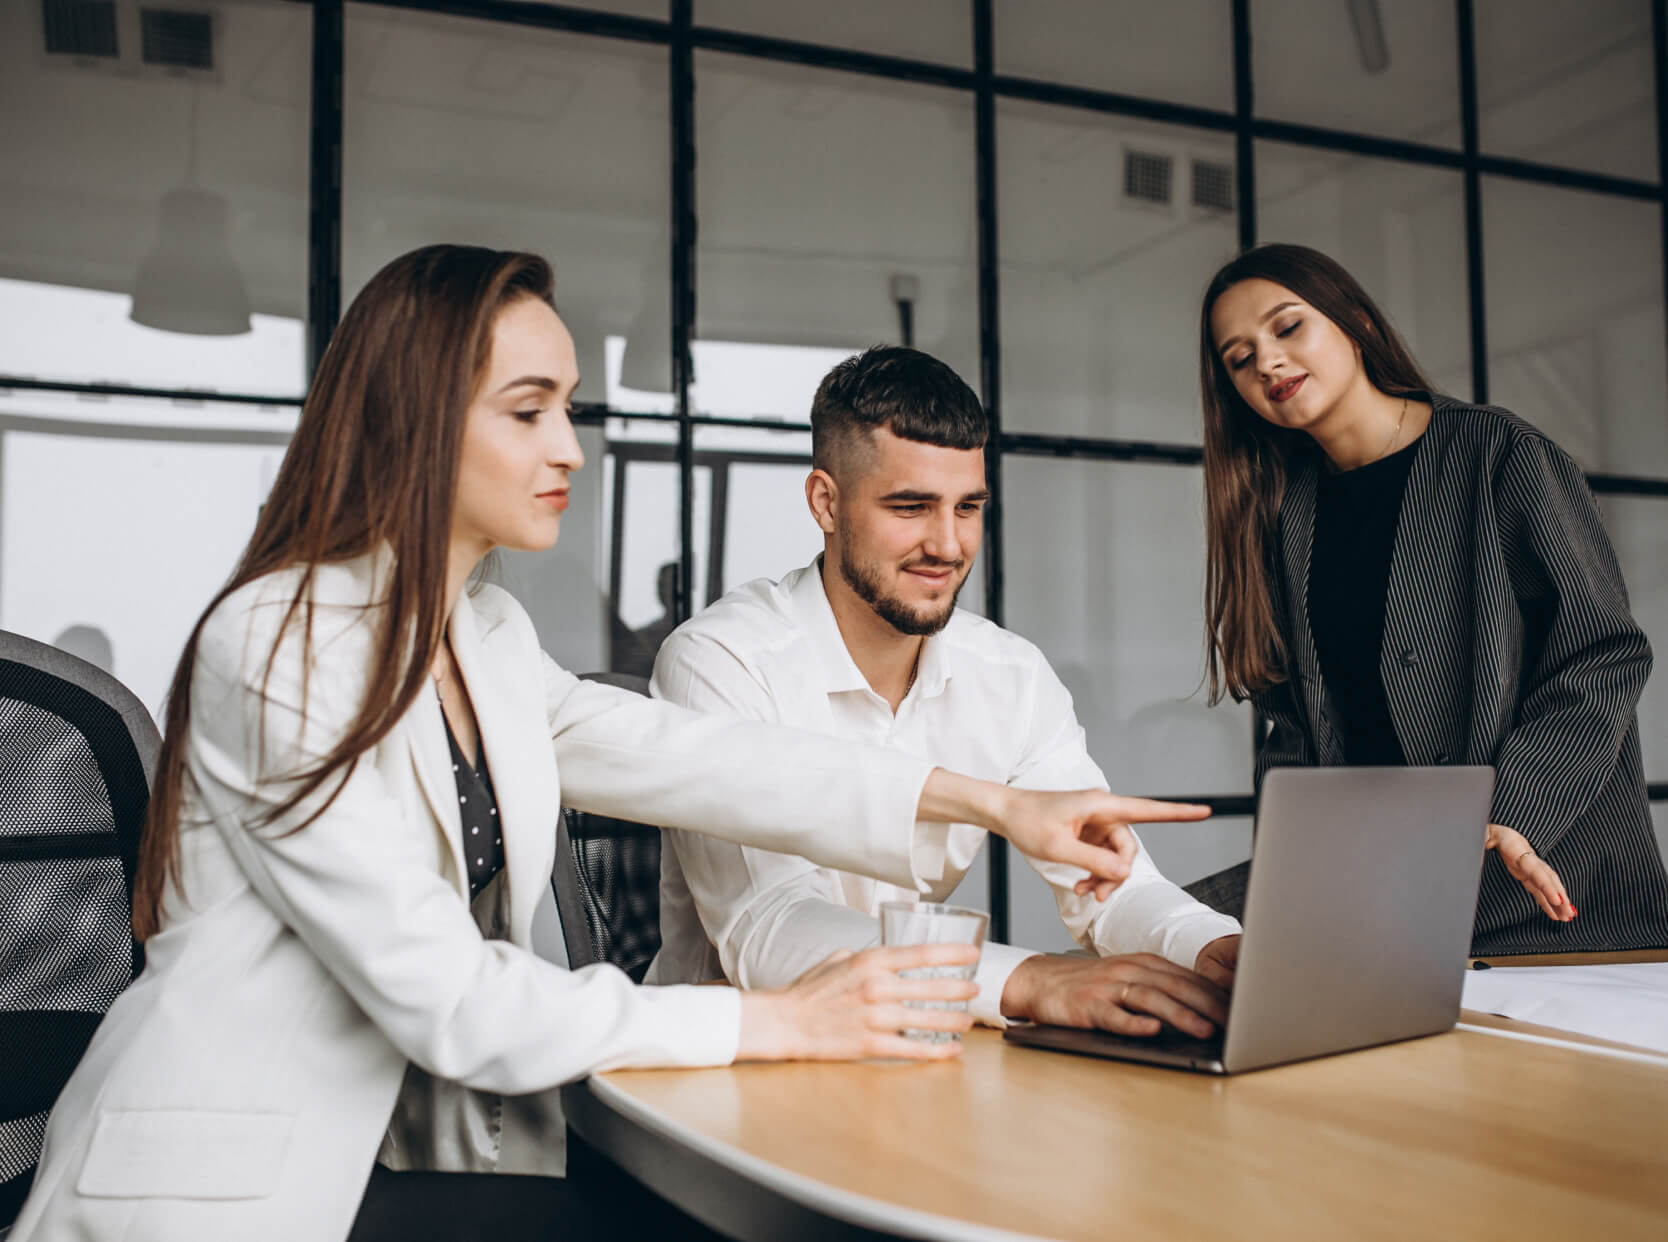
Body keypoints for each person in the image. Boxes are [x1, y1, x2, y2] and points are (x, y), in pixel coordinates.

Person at [11, 246, 1173, 1242]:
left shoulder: (484, 634)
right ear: (414, 420)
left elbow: (705, 758)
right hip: (216, 1192)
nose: (570, 447)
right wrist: (781, 1019)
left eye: (568, 406)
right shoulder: (283, 641)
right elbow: (450, 996)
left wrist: (992, 804)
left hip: (393, 1160)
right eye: (529, 411)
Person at [647, 345, 1241, 1040]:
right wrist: (1027, 981)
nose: (949, 544)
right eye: (911, 507)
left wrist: (1211, 951)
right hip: (732, 1072)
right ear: (826, 502)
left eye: (968, 508)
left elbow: (1108, 887)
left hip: (922, 1054)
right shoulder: (721, 661)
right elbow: (769, 931)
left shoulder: (1009, 676)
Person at [1194, 241, 1668, 955]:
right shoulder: (1281, 515)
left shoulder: (1500, 455)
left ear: (1354, 319)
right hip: (1376, 895)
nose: (1266, 362)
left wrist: (1512, 812)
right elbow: (1291, 729)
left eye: (1288, 328)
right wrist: (1296, 883)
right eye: (1239, 357)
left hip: (1537, 895)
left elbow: (1602, 657)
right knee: (1151, 939)